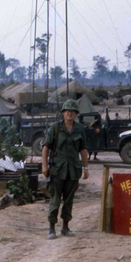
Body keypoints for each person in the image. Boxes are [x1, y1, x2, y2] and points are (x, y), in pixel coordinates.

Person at [42, 99, 89, 238]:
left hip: (73, 170)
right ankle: (51, 228)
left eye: (72, 111)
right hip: (57, 169)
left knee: (69, 200)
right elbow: (46, 147)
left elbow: (83, 149)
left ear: (75, 114)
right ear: (63, 113)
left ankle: (65, 227)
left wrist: (86, 167)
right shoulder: (55, 128)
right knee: (55, 199)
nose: (69, 113)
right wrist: (44, 166)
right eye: (67, 111)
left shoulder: (80, 129)